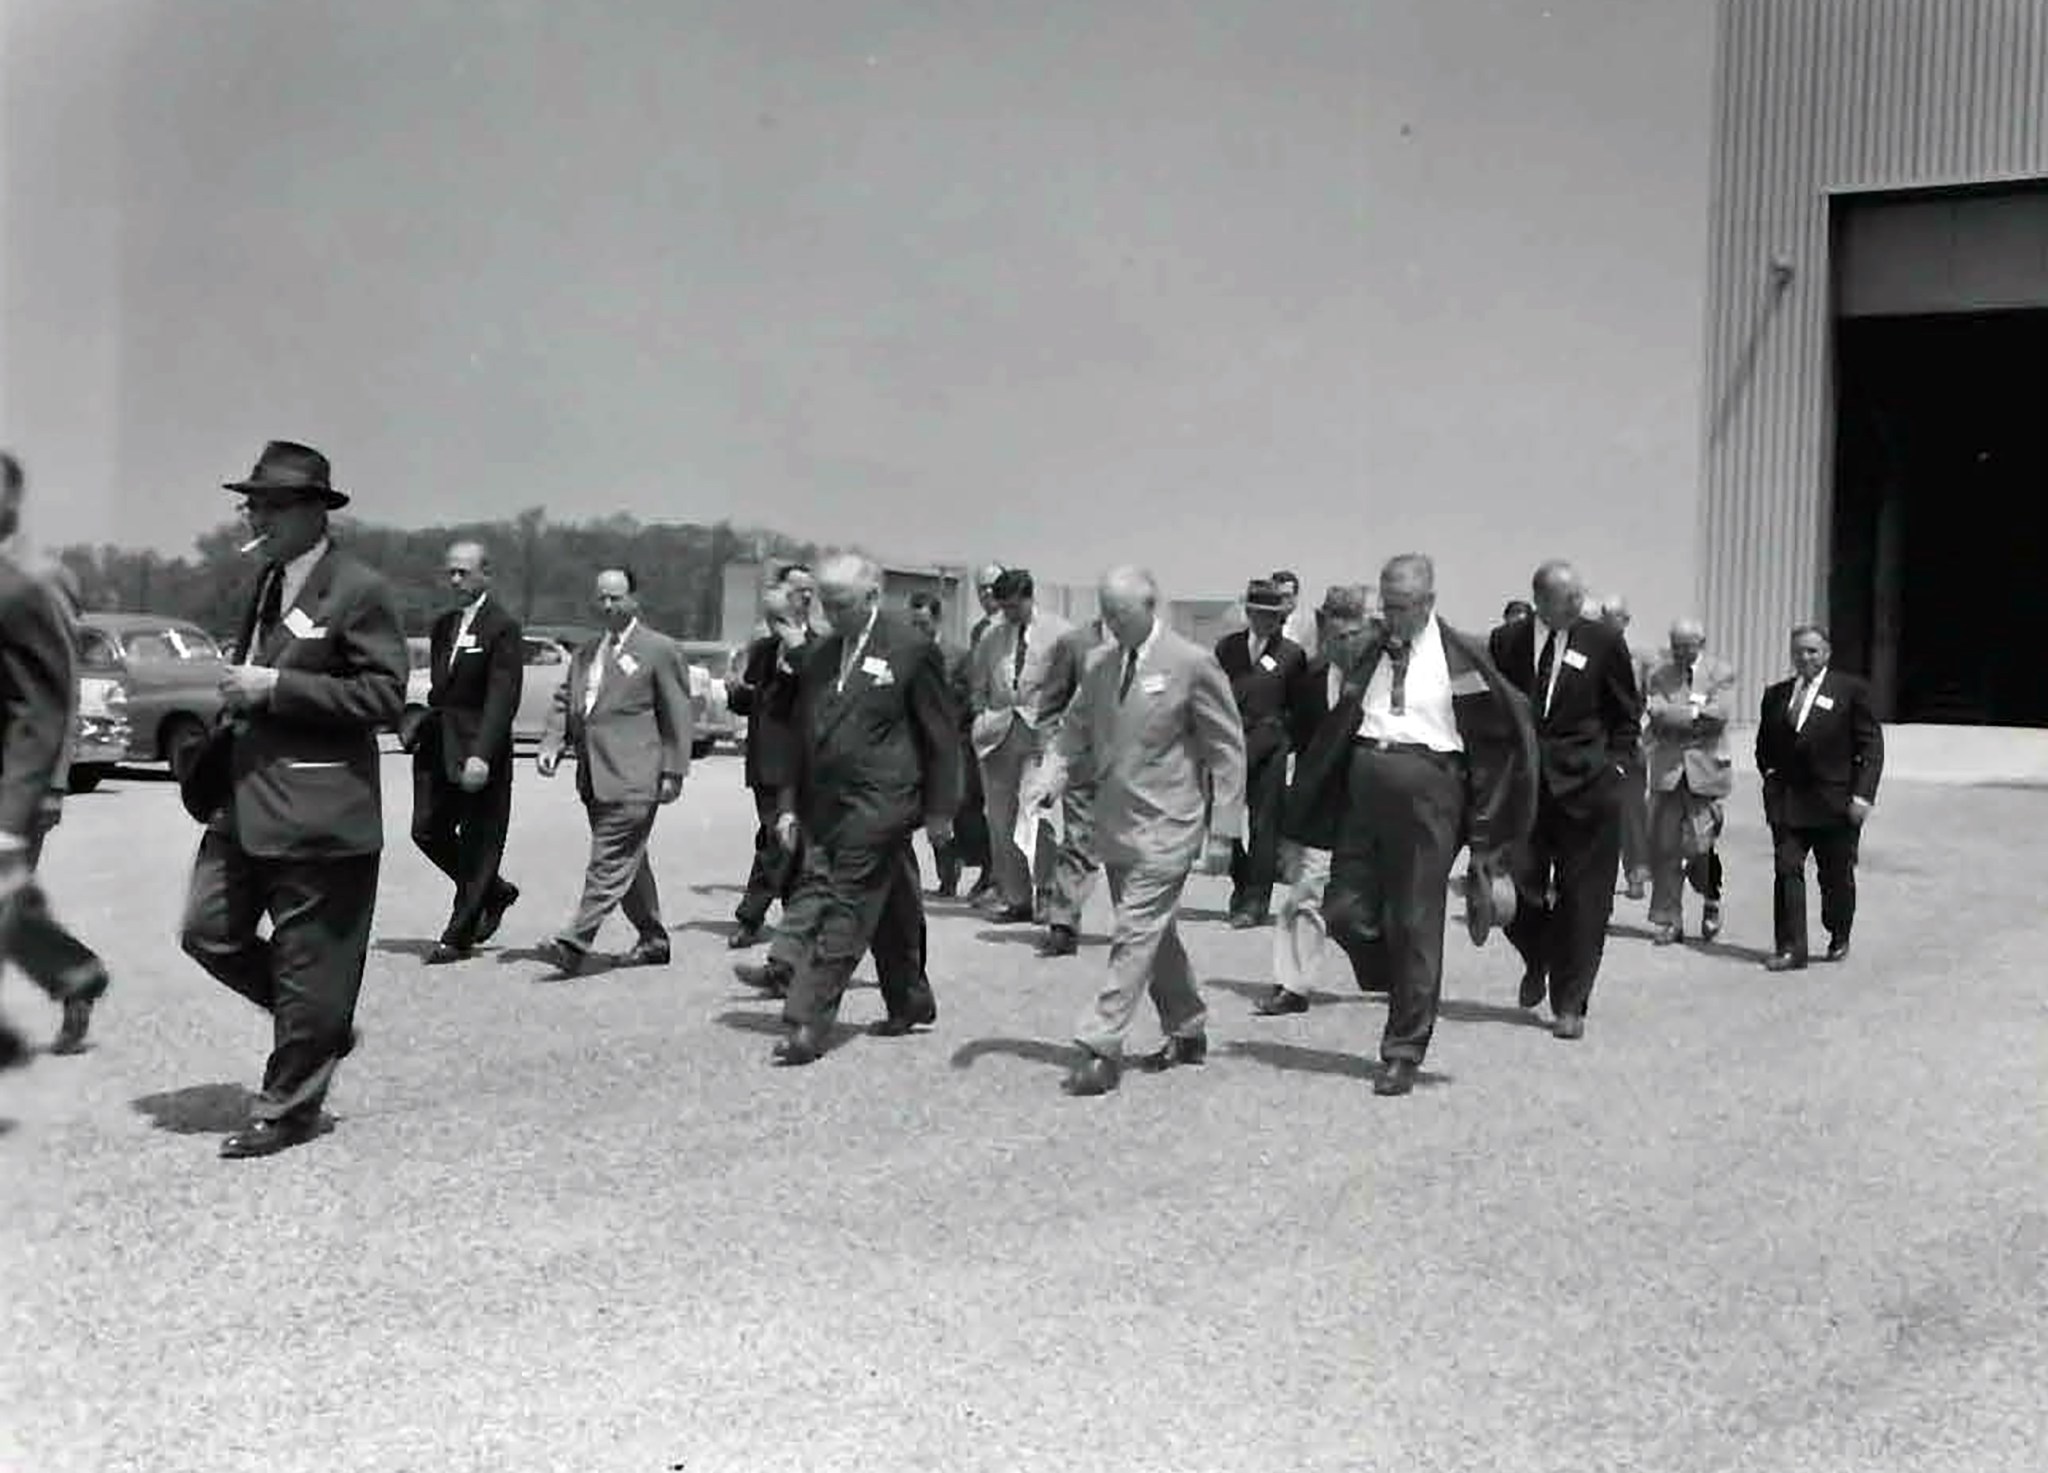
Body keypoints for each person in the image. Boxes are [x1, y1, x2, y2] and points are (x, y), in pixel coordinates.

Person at [177, 440, 407, 1158]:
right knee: (207, 930)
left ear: (313, 512)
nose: (254, 515)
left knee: (312, 963)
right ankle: (320, 1024)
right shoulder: (267, 581)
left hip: (318, 814)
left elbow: (384, 693)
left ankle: (290, 1104)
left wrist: (277, 687)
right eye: (251, 503)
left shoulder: (359, 588)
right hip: (243, 802)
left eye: (267, 504)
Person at [1286, 556, 1537, 1093]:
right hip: (1363, 784)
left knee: (1418, 920)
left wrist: (1489, 831)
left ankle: (1403, 1048)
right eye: (1385, 604)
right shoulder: (1369, 651)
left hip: (1431, 791)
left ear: (1427, 602)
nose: (1389, 616)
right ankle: (1391, 975)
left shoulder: (1462, 659)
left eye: (1399, 607)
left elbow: (1501, 737)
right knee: (1344, 909)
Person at [1027, 566, 1246, 1098]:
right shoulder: (1101, 668)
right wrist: (1049, 777)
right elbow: (1072, 732)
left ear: (1152, 606)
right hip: (1118, 824)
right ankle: (1188, 1026)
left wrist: (1223, 830)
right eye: (1105, 614)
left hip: (1171, 823)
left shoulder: (1192, 664)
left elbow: (1227, 748)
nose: (1112, 624)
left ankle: (1100, 1044)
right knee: (1153, 934)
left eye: (1120, 614)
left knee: (1133, 932)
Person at [767, 554, 960, 1067]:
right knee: (892, 902)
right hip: (830, 805)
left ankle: (808, 1017)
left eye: (842, 603)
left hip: (883, 802)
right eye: (826, 604)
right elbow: (802, 735)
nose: (832, 613)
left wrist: (941, 809)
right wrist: (788, 804)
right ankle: (910, 999)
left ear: (872, 597)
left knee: (845, 904)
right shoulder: (825, 654)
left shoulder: (911, 650)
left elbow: (941, 736)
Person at [1493, 560, 1641, 1040]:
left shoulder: (1602, 642)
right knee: (1516, 891)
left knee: (1585, 899)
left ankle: (1571, 1001)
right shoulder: (1507, 642)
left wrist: (1616, 767)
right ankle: (1538, 952)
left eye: (1580, 595)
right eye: (1568, 598)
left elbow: (1626, 712)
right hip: (1526, 788)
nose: (1579, 604)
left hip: (1589, 787)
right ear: (1540, 600)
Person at [0, 451, 110, 1064]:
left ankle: (72, 974)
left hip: (20, 776)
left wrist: (51, 784)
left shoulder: (40, 578)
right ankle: (74, 974)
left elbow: (52, 688)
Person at [534, 567, 692, 976]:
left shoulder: (659, 649)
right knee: (628, 861)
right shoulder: (587, 651)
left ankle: (575, 941)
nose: (607, 605)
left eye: (615, 598)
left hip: (637, 775)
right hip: (594, 776)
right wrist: (553, 743)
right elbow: (565, 700)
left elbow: (677, 712)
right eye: (601, 598)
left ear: (635, 599)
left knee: (609, 858)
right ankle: (654, 939)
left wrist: (674, 771)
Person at [1253, 584, 1372, 1016]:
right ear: (1324, 629)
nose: (1346, 646)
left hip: (1374, 809)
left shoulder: (1384, 683)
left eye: (1354, 636)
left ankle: (1390, 970)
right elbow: (1298, 748)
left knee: (1371, 903)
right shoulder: (1309, 683)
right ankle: (1293, 984)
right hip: (1322, 808)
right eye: (1337, 637)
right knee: (1305, 893)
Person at [407, 540, 523, 963]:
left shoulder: (502, 626)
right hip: (441, 745)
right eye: (450, 572)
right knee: (426, 830)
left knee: (479, 841)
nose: (455, 580)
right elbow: (442, 689)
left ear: (485, 574)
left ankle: (458, 934)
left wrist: (483, 753)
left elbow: (502, 697)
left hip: (479, 749)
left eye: (464, 572)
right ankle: (494, 891)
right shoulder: (443, 626)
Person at [1755, 624, 1883, 971]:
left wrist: (1863, 796)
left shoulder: (1850, 691)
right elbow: (1764, 746)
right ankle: (1791, 948)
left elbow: (1871, 747)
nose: (1805, 657)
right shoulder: (1776, 695)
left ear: (1826, 653)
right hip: (1788, 802)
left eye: (1812, 651)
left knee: (1835, 876)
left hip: (1835, 802)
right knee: (1787, 870)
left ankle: (1839, 930)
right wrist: (1769, 778)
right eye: (1799, 651)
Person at [966, 568, 1078, 923]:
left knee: (1037, 816)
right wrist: (981, 717)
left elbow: (1077, 689)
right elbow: (977, 685)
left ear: (1030, 598)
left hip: (1041, 735)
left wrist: (1060, 732)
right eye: (1003, 607)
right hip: (997, 736)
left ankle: (1046, 892)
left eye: (1014, 606)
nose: (1008, 614)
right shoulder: (990, 637)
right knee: (999, 821)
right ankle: (1017, 898)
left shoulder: (1062, 634)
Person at [727, 566, 816, 948]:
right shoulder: (762, 649)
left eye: (810, 592)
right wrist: (736, 691)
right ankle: (771, 917)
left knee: (787, 841)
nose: (806, 598)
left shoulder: (820, 648)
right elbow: (751, 700)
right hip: (767, 759)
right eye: (798, 591)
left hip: (805, 762)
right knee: (777, 839)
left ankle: (768, 915)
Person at [1214, 577, 1310, 928]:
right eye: (1257, 612)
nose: (1264, 620)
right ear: (1248, 612)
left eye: (1271, 614)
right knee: (1225, 824)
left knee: (1264, 827)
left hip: (1270, 751)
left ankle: (1256, 902)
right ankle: (1242, 881)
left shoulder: (1292, 655)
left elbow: (1298, 708)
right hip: (1228, 747)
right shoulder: (1227, 649)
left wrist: (1281, 737)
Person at [1641, 618, 1736, 944]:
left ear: (1701, 643)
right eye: (1675, 645)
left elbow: (1719, 715)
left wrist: (1679, 715)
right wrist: (1695, 714)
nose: (1680, 652)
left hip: (1705, 772)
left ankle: (1711, 897)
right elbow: (1655, 712)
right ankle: (1669, 920)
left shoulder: (1720, 672)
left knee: (1699, 846)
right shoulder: (1659, 674)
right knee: (1664, 847)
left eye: (1687, 646)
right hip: (1668, 771)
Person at [1035, 617, 1116, 958]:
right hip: (1083, 762)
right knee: (1077, 842)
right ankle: (1063, 924)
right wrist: (1051, 756)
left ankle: (1140, 925)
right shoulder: (1075, 644)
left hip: (1134, 767)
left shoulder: (1155, 646)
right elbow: (1051, 705)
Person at [906, 590, 978, 896]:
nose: (918, 631)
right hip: (910, 745)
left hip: (947, 742)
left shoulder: (958, 656)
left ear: (937, 620)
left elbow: (968, 698)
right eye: (913, 624)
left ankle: (952, 873)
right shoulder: (903, 653)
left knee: (944, 810)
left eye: (923, 624)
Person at [1595, 593, 1654, 901]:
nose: (1607, 622)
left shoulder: (1641, 659)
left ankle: (1636, 874)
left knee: (1632, 812)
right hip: (1596, 744)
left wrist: (1642, 737)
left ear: (1625, 621)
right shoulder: (1590, 653)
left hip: (1630, 744)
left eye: (1613, 616)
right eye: (1603, 616)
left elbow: (1653, 703)